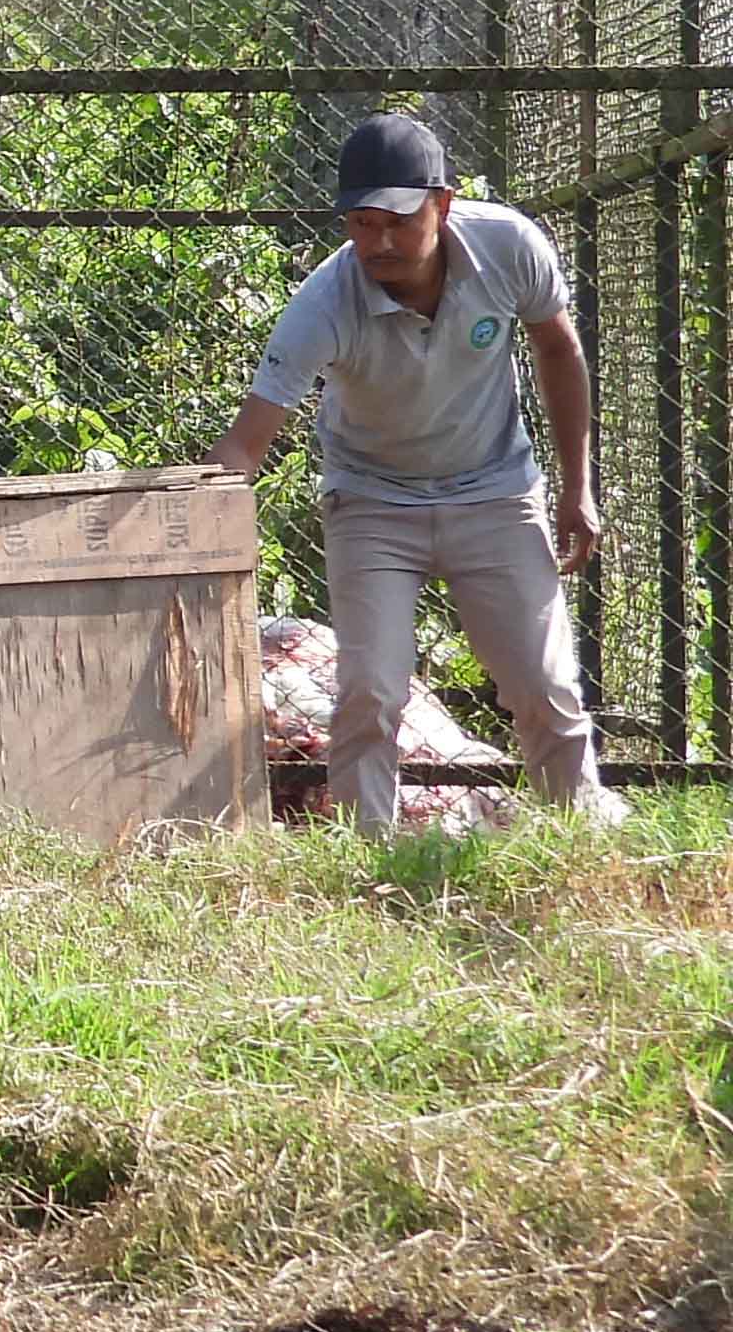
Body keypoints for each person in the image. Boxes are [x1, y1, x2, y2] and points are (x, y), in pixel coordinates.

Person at [212, 113, 629, 832]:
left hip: (496, 493)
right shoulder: (322, 302)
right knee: (370, 692)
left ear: (443, 202)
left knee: (544, 684)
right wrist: (167, 524)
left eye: (396, 222)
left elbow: (558, 351)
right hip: (373, 506)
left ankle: (578, 836)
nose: (376, 243)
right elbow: (245, 445)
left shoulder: (509, 246)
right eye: (359, 222)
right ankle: (367, 862)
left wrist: (576, 486)